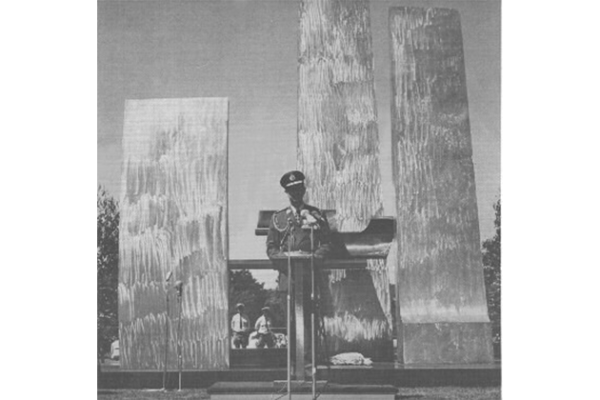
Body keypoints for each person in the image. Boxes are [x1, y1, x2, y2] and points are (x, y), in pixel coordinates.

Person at [266, 170, 332, 260]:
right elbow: (271, 248)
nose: (296, 193)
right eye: (292, 190)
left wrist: (315, 258)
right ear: (286, 192)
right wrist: (285, 259)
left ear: (304, 189)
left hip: (312, 269)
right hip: (287, 270)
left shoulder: (317, 215)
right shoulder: (278, 218)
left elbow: (327, 243)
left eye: (298, 188)